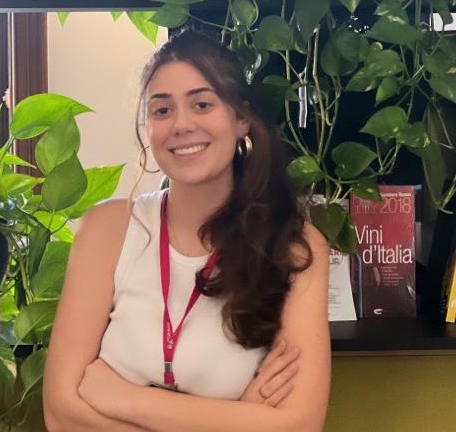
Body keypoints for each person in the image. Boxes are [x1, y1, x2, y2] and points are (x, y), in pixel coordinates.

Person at [42, 28, 331, 432]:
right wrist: (239, 419)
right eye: (162, 110)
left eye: (202, 104)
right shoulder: (107, 230)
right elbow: (60, 413)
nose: (181, 124)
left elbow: (298, 425)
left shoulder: (292, 247)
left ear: (241, 119)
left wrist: (126, 398)